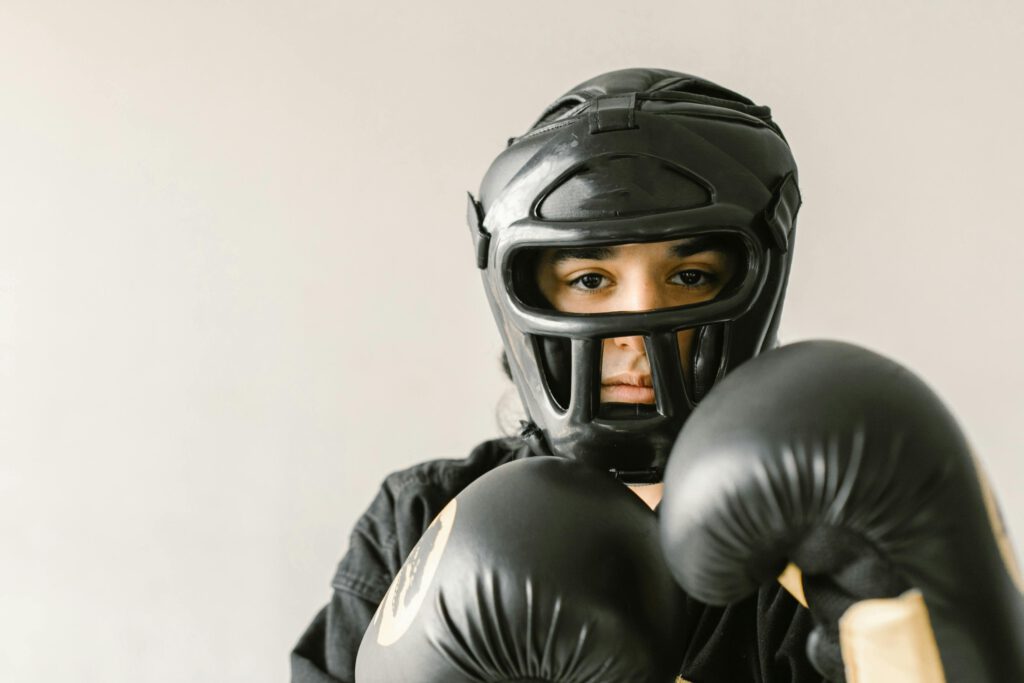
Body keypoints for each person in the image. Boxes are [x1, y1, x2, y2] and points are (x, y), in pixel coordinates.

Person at [291, 67, 820, 682]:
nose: (638, 333)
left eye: (691, 276)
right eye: (591, 281)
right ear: (524, 291)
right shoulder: (420, 522)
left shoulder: (815, 550)